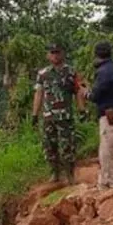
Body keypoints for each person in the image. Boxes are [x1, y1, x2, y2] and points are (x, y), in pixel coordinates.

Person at [32, 43, 85, 184]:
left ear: (63, 53)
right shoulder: (43, 74)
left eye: (57, 52)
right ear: (48, 55)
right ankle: (54, 173)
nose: (55, 55)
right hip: (49, 116)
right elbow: (39, 94)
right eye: (52, 52)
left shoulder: (71, 72)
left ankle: (70, 174)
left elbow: (78, 92)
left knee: (68, 145)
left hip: (65, 116)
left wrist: (81, 110)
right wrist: (34, 114)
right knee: (50, 146)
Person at [83, 42, 113, 190]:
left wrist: (86, 93)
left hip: (110, 115)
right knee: (107, 150)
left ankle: (112, 184)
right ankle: (104, 183)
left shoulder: (103, 72)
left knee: (107, 153)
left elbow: (95, 95)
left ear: (96, 54)